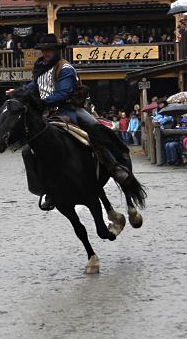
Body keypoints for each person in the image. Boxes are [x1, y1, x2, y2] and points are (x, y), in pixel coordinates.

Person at [14, 33, 131, 210]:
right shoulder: (40, 68)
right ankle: (46, 188)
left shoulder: (66, 69)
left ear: (56, 51)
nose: (45, 53)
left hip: (71, 108)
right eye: (43, 50)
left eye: (49, 50)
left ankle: (115, 165)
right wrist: (18, 92)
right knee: (29, 149)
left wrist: (43, 102)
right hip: (47, 112)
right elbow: (33, 87)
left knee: (95, 128)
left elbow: (63, 93)